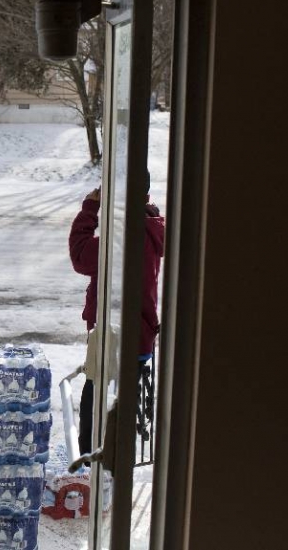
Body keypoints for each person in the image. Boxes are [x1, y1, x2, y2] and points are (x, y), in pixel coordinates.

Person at [68, 172, 165, 455]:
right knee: (121, 403)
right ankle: (113, 459)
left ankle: (93, 464)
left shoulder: (126, 235)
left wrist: (89, 209)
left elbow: (81, 256)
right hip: (140, 332)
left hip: (114, 333)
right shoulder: (150, 226)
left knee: (96, 400)